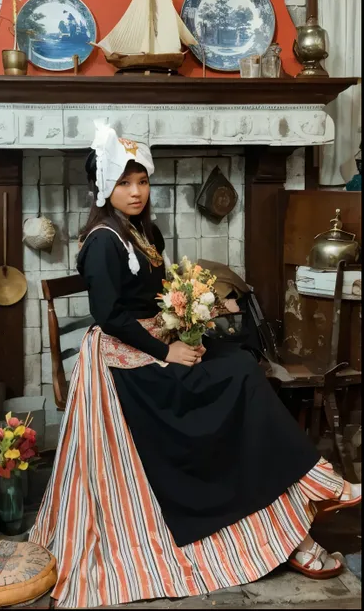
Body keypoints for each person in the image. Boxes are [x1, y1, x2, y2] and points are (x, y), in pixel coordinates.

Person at [29, 120, 361, 609]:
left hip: (151, 340)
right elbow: (110, 316)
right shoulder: (103, 241)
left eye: (142, 181)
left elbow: (155, 295)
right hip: (122, 365)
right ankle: (310, 482)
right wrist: (169, 351)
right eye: (124, 183)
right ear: (105, 187)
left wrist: (199, 307)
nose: (137, 192)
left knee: (241, 358)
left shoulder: (141, 229)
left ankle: (292, 499)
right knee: (240, 377)